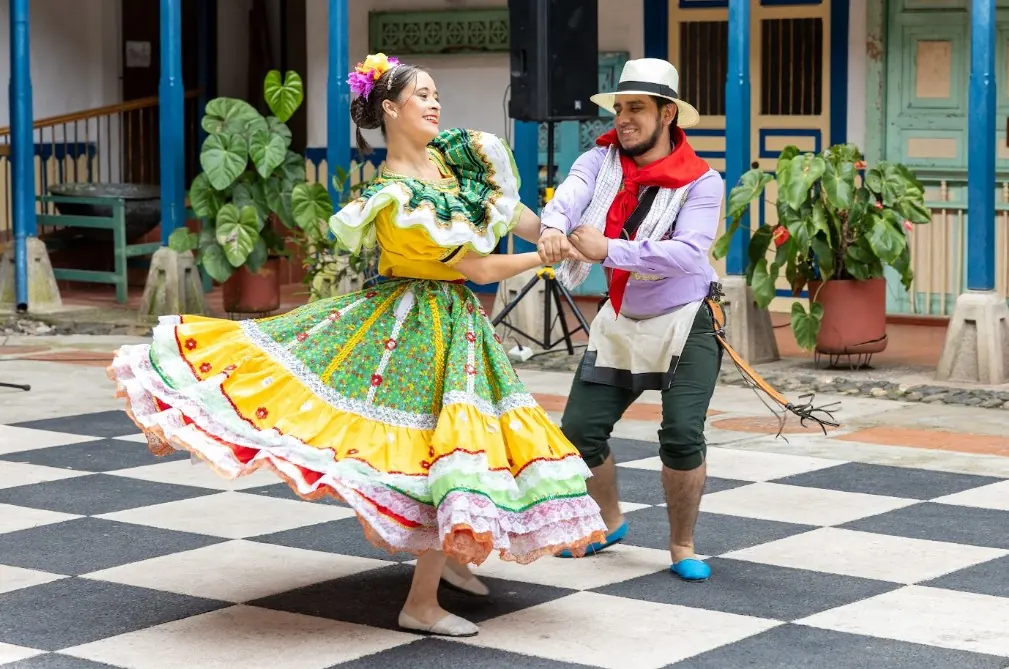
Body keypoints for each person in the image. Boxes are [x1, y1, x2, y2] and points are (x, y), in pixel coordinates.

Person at [106, 53, 606, 638]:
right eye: (421, 94)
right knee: (434, 455)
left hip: (454, 327)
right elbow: (476, 267)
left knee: (458, 447)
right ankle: (420, 603)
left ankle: (446, 564)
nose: (434, 102)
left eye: (435, 92)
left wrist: (551, 231)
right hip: (413, 330)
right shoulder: (394, 197)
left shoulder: (454, 161)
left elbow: (510, 212)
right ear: (390, 109)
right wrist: (543, 257)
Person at [536, 58, 836, 583]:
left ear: (667, 113)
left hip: (687, 319)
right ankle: (608, 523)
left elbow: (689, 252)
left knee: (679, 433)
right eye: (620, 108)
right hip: (622, 314)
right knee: (579, 432)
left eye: (637, 109)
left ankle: (681, 544)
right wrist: (554, 227)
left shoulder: (703, 180)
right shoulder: (598, 160)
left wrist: (610, 248)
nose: (624, 118)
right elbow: (569, 197)